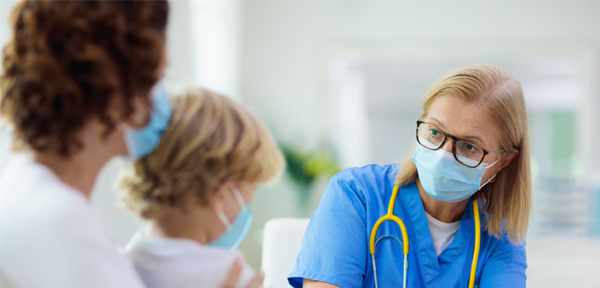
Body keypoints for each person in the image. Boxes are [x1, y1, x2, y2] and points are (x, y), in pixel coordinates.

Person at [0, 1, 260, 288]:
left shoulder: (31, 193)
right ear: (116, 85)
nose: (163, 99)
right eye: (158, 78)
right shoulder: (61, 219)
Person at [289, 65, 530, 288]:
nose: (443, 154)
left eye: (468, 146)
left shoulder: (499, 235)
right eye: (435, 131)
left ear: (503, 162)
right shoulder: (356, 194)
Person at [118, 88, 284, 288]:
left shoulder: (120, 263)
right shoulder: (231, 275)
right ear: (220, 194)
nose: (248, 205)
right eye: (252, 189)